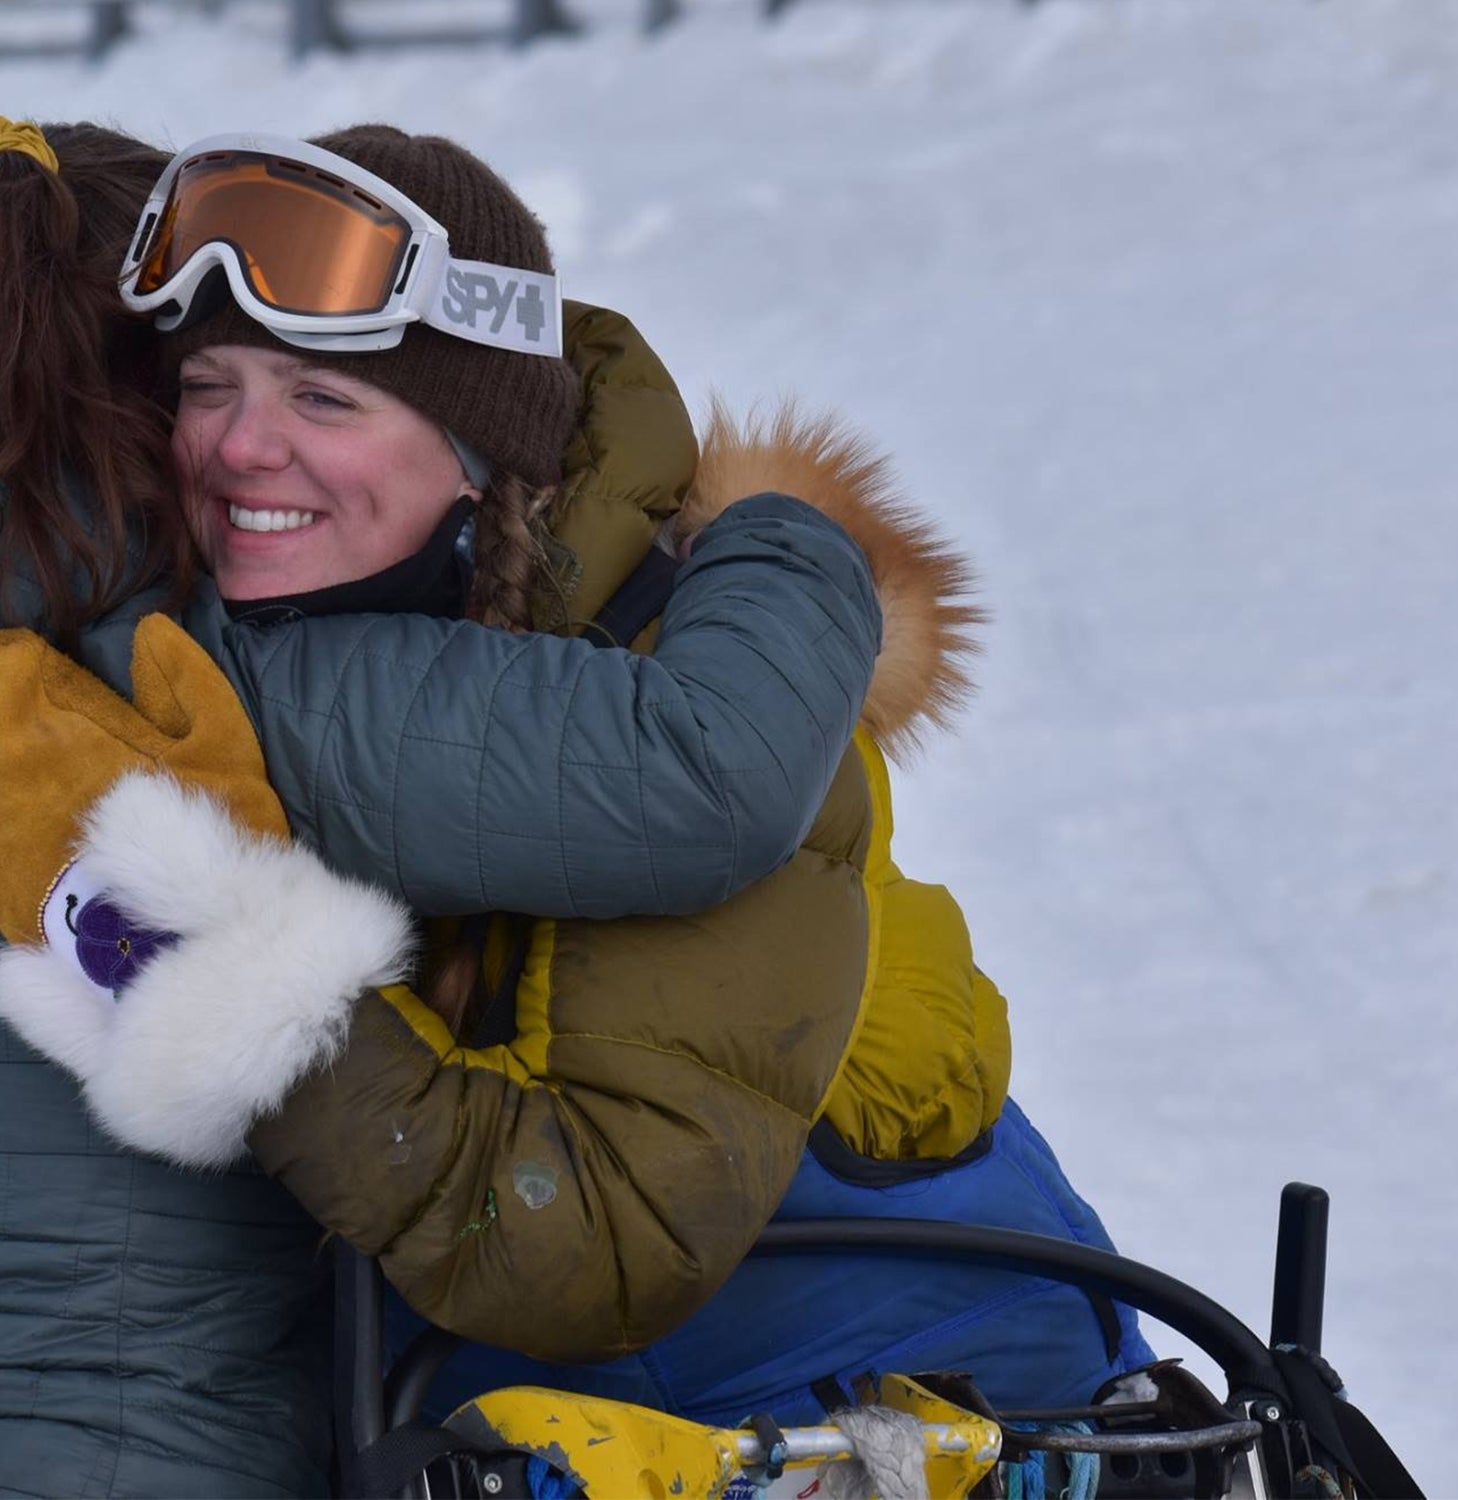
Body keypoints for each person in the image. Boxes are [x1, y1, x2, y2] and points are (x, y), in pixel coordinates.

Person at [2, 123, 1149, 1486]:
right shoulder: (261, 661)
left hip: (893, 1400)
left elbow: (589, 1244)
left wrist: (196, 958)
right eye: (207, 387)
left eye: (325, 400)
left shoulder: (633, 682)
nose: (243, 448)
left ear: (480, 455)